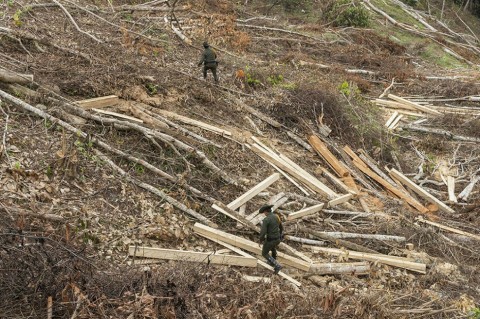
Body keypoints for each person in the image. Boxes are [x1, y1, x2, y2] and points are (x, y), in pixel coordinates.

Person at [258, 204, 283, 274]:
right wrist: (280, 235)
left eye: (264, 213)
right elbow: (281, 227)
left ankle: (277, 265)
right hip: (277, 239)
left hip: (271, 239)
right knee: (272, 247)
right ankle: (273, 260)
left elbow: (263, 232)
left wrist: (261, 240)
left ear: (266, 212)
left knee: (264, 253)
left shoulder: (266, 220)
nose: (264, 214)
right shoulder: (276, 216)